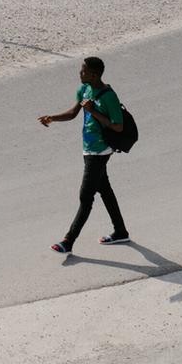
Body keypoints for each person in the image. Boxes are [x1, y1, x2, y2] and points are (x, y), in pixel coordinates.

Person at [38, 56, 127, 255]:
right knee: (105, 189)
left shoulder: (108, 96)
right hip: (88, 148)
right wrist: (52, 118)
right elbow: (73, 113)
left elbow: (118, 126)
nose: (80, 73)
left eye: (84, 70)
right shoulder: (85, 89)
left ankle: (68, 241)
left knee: (86, 197)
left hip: (100, 150)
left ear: (94, 75)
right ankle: (120, 231)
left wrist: (93, 111)